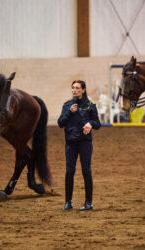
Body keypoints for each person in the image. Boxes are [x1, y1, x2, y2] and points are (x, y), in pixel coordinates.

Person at [57, 80, 101, 211]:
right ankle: (68, 202)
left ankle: (89, 202)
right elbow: (60, 123)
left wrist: (90, 124)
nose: (74, 90)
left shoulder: (90, 105)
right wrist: (69, 112)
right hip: (70, 144)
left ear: (83, 90)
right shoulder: (67, 105)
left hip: (85, 143)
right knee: (69, 172)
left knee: (86, 171)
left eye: (77, 88)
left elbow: (98, 123)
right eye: (73, 88)